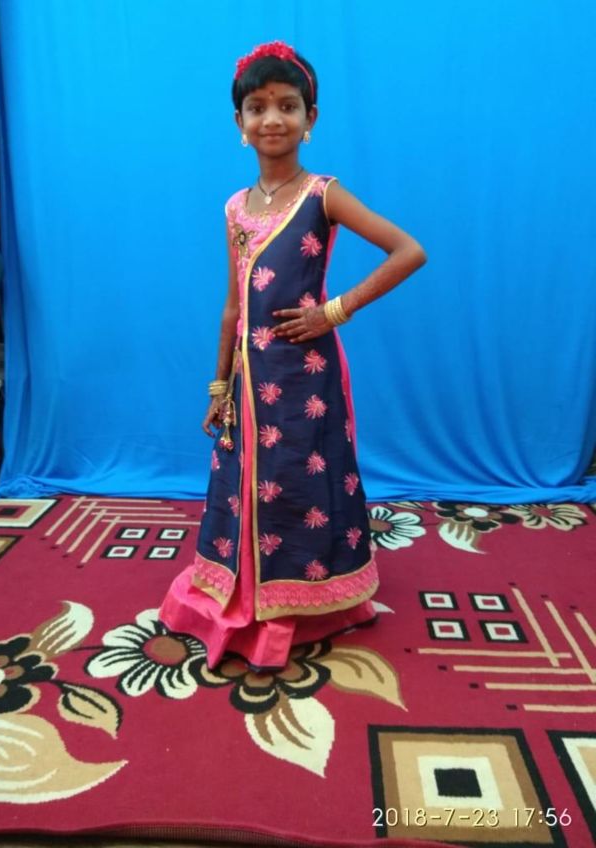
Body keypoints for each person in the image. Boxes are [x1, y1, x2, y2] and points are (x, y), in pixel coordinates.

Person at [159, 41, 427, 670]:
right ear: (239, 122)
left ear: (311, 117)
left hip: (303, 376)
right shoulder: (235, 208)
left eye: (287, 105)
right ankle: (242, 588)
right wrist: (218, 386)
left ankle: (299, 599)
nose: (272, 118)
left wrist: (333, 311)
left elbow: (408, 251)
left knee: (299, 478)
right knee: (243, 480)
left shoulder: (321, 195)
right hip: (245, 379)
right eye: (257, 107)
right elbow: (233, 306)